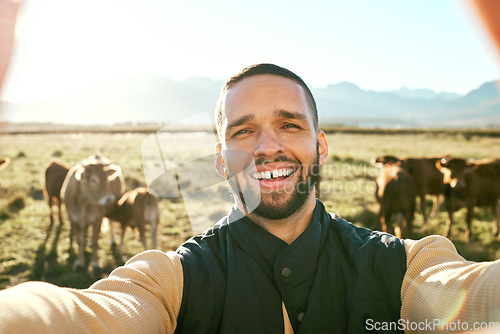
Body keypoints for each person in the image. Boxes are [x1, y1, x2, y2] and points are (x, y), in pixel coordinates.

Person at [1, 3, 500, 334]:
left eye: (289, 125)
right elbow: (74, 318)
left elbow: (472, 300)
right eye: (242, 131)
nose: (267, 146)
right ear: (221, 160)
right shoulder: (172, 282)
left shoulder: (404, 267)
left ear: (320, 146)